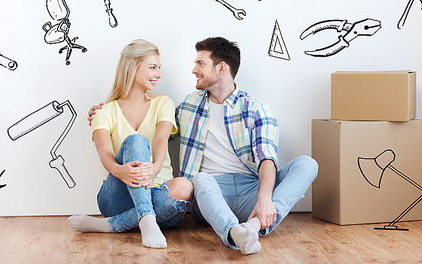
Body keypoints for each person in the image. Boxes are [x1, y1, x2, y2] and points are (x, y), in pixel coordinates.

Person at [88, 37, 318, 255]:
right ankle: (232, 231)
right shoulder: (188, 106)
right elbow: (153, 135)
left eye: (200, 63)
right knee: (199, 179)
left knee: (307, 164)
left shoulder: (256, 108)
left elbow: (267, 157)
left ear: (221, 68)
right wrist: (104, 114)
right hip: (210, 192)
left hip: (251, 190)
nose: (194, 69)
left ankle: (254, 225)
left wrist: (264, 198)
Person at [70, 39, 193, 249]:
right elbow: (105, 154)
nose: (159, 74)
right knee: (136, 140)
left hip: (159, 192)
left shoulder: (163, 103)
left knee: (185, 186)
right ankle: (146, 217)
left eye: (159, 68)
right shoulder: (104, 111)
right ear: (133, 67)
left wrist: (154, 169)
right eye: (153, 67)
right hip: (119, 196)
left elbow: (161, 138)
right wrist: (119, 171)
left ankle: (110, 225)